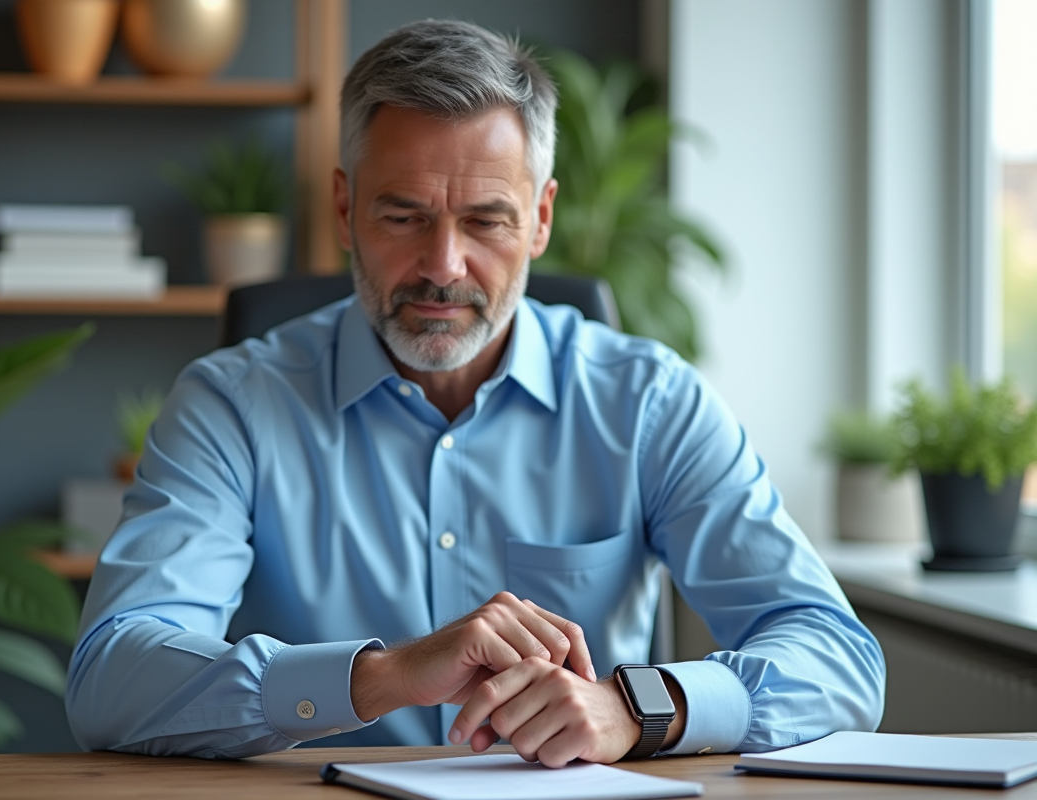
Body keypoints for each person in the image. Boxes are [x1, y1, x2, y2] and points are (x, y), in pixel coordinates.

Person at [66, 19, 885, 768]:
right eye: (404, 216)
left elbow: (838, 660)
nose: (444, 266)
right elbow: (111, 677)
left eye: (487, 220)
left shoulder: (650, 402)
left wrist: (637, 709)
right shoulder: (232, 405)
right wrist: (381, 677)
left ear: (540, 219)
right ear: (346, 208)